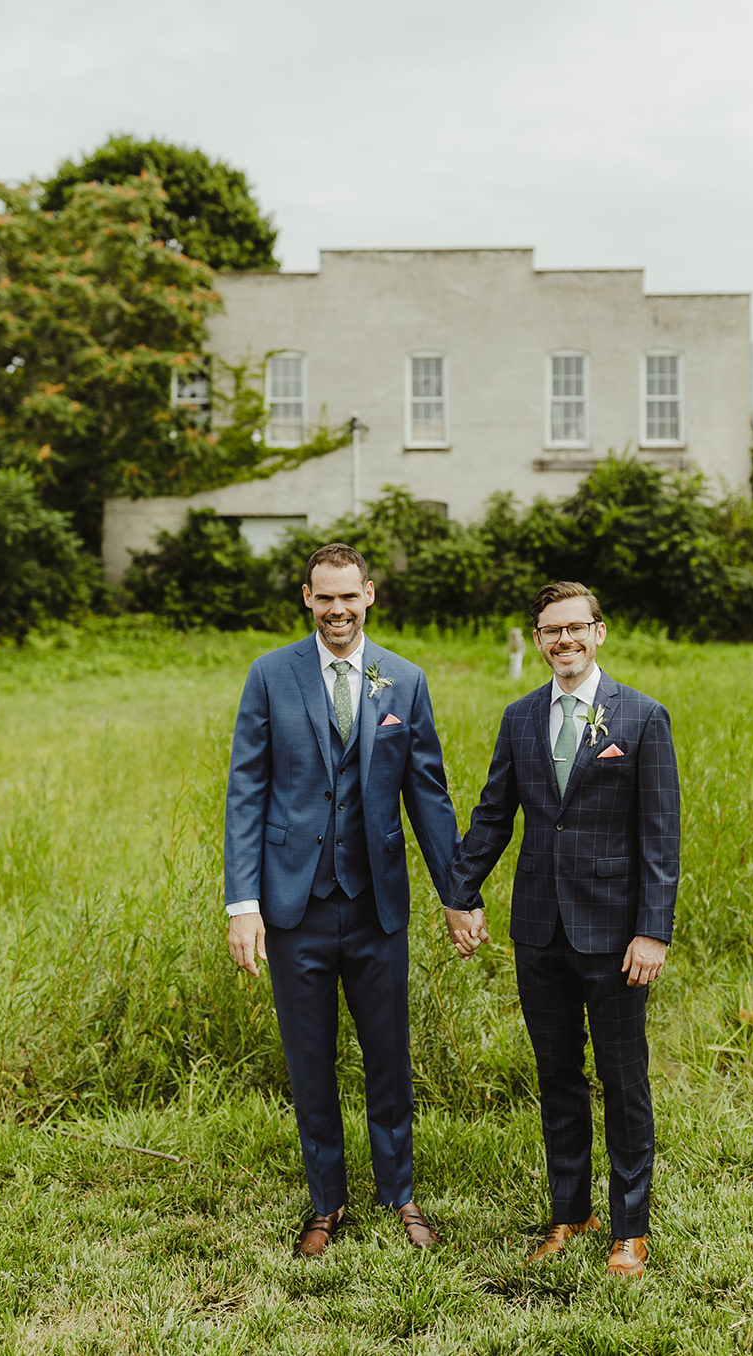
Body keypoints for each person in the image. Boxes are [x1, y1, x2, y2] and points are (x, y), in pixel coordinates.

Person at [225, 542, 472, 1256]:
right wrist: (243, 905)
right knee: (310, 1060)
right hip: (292, 907)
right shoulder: (270, 675)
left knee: (388, 1056)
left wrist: (455, 892)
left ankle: (399, 1193)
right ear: (307, 598)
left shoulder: (404, 679)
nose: (338, 610)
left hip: (375, 907)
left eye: (349, 596)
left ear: (370, 595)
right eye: (324, 597)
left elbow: (427, 795)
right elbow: (246, 791)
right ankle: (325, 1202)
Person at [445, 581, 679, 1276]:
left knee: (622, 1078)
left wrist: (652, 931)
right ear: (538, 639)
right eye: (551, 631)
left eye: (575, 628)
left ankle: (629, 1228)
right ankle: (568, 1212)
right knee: (557, 1079)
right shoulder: (519, 718)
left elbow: (659, 836)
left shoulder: (639, 719)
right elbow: (493, 816)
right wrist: (460, 893)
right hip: (539, 931)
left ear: (598, 633)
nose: (563, 641)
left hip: (614, 937)